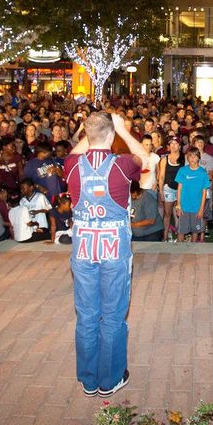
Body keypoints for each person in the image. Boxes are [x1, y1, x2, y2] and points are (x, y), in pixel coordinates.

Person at [65, 111, 145, 398]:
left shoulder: (72, 164)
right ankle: (109, 379)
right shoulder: (122, 164)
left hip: (84, 245)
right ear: (111, 135)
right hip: (114, 247)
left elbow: (77, 151)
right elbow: (145, 159)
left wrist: (90, 135)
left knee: (87, 314)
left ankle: (88, 379)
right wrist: (123, 130)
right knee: (112, 314)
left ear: (86, 137)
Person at [175, 149, 211, 243]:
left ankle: (192, 251)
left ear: (199, 158)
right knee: (181, 231)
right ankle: (179, 251)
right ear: (187, 157)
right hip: (184, 207)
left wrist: (201, 209)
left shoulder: (203, 172)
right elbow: (179, 189)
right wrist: (178, 206)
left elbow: (204, 193)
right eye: (190, 156)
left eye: (195, 156)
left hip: (196, 208)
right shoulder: (182, 170)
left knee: (195, 232)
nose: (192, 158)